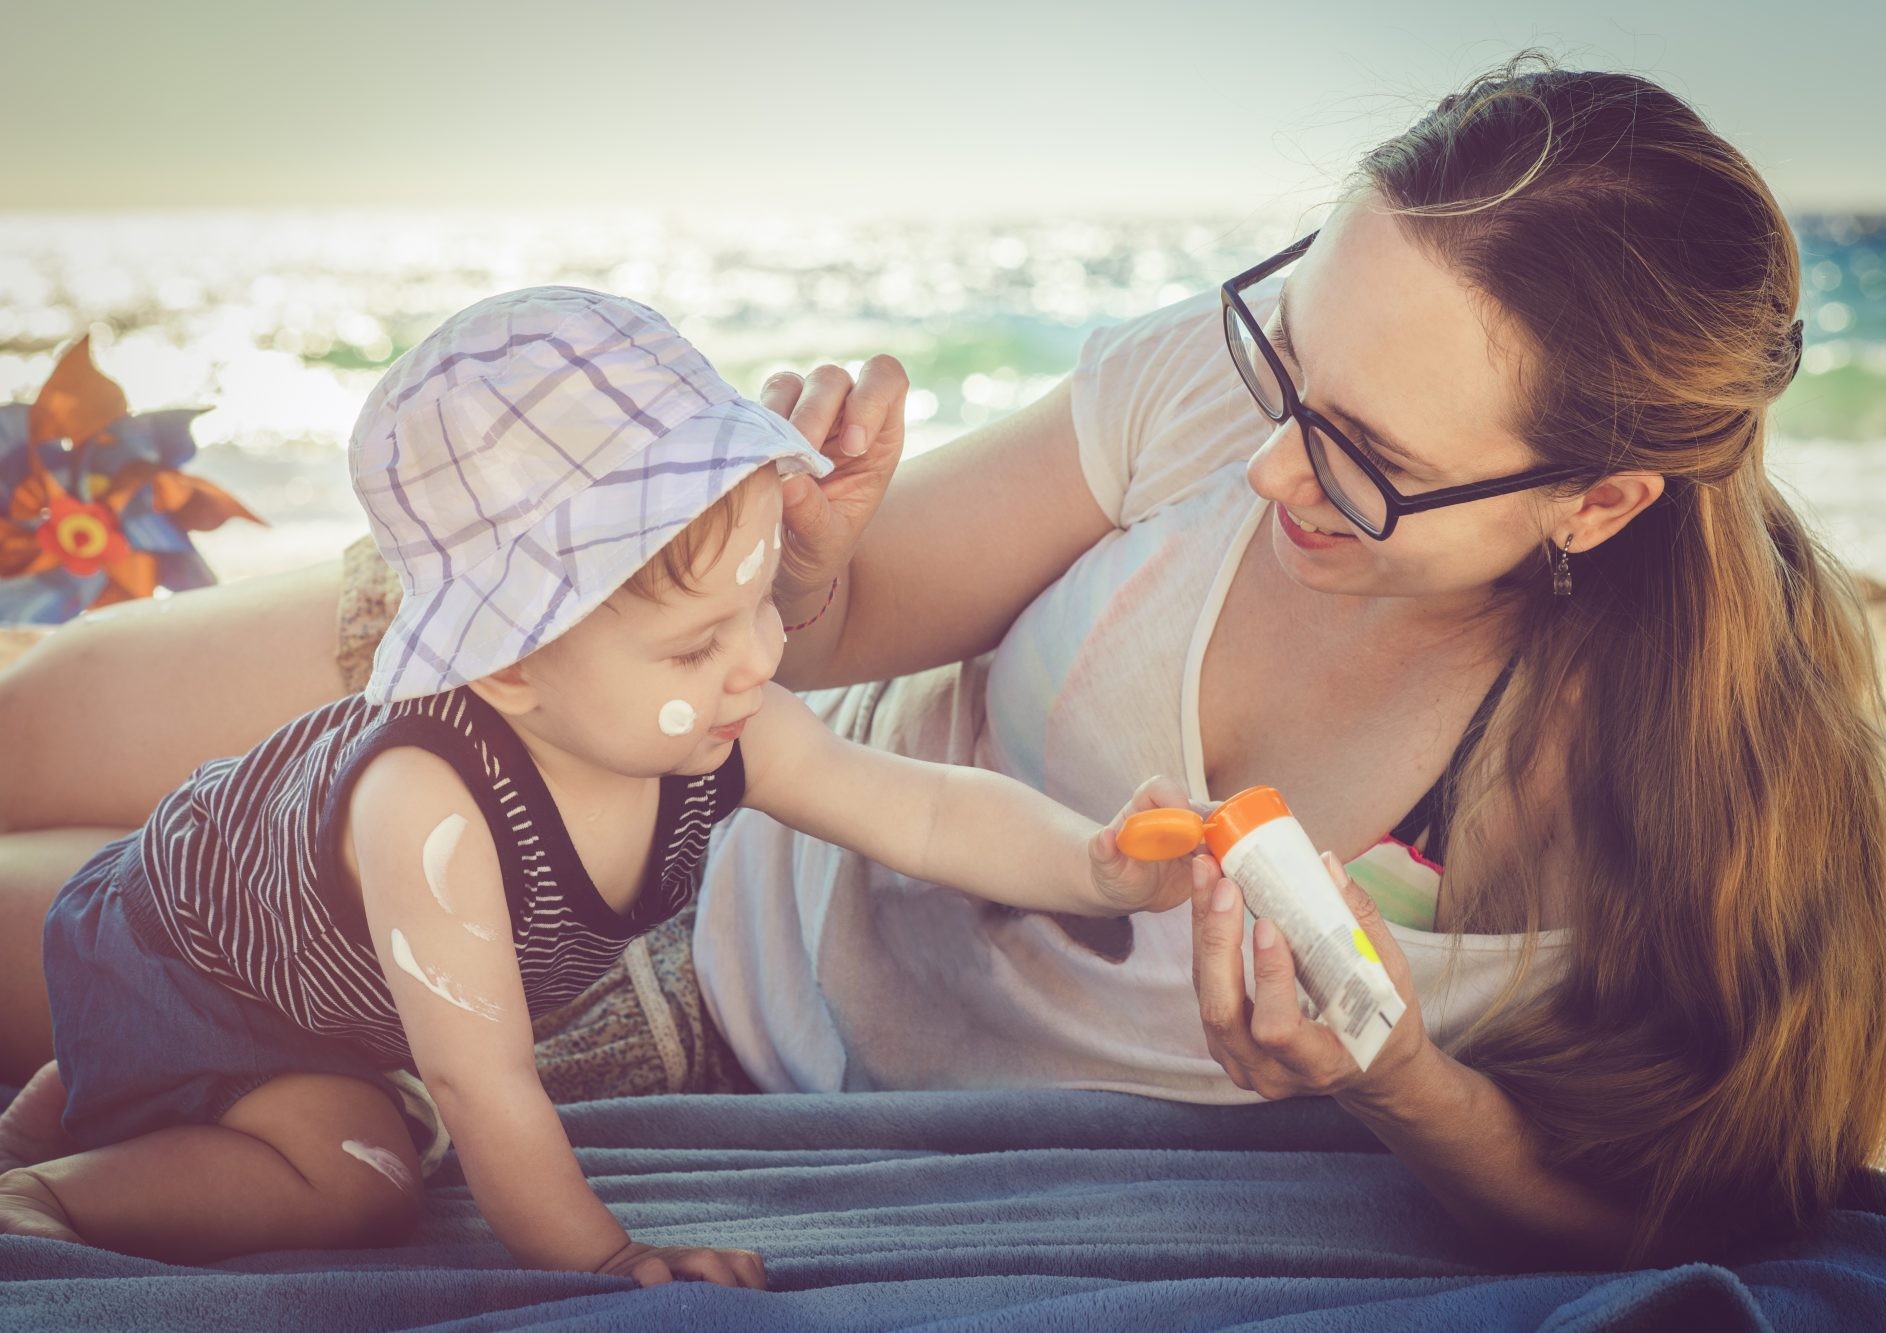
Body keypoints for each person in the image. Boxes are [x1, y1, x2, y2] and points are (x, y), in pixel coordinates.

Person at [0, 53, 1886, 1268]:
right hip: (665, 704)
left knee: (64, 950)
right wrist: (817, 564)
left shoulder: (1687, 783)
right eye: (1289, 366)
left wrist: (1412, 1088)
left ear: (1593, 506)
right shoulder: (1237, 391)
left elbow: (1704, 1189)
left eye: (1366, 462)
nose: (1270, 460)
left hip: (661, 976)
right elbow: (834, 642)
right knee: (32, 717)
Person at [0, 288, 1193, 1282]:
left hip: (312, 992)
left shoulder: (716, 727)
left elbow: (918, 809)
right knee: (357, 1183)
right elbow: (482, 1080)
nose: (758, 659)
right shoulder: (434, 809)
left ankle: (67, 1107)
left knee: (351, 1132)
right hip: (188, 970)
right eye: (693, 644)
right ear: (511, 664)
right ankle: (52, 1189)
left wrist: (1092, 863)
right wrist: (607, 1261)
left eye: (758, 602)